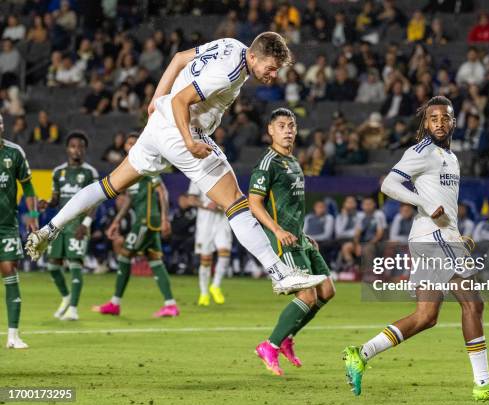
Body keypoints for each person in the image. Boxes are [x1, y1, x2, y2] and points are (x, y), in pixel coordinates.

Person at [26, 32, 326, 295]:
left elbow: (180, 57)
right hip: (180, 129)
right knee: (235, 202)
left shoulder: (232, 45)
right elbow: (182, 101)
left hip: (159, 124)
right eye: (271, 68)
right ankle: (280, 273)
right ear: (256, 56)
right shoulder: (230, 73)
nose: (272, 75)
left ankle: (49, 230)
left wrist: (157, 99)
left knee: (109, 184)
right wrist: (190, 141)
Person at [342, 96, 489, 402]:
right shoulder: (421, 151)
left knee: (426, 316)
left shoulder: (450, 157)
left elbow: (442, 201)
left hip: (440, 237)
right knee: (473, 303)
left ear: (453, 122)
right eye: (433, 118)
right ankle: (483, 383)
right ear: (426, 123)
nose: (439, 123)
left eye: (445, 118)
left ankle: (361, 353)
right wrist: (425, 203)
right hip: (432, 236)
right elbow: (389, 185)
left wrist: (455, 232)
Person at [250, 108, 335, 376]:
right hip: (282, 240)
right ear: (270, 130)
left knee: (327, 291)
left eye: (291, 126)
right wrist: (276, 231)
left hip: (300, 238)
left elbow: (293, 207)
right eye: (282, 126)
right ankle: (270, 345)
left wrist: (305, 234)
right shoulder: (268, 164)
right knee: (307, 295)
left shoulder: (295, 162)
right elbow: (254, 204)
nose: (287, 130)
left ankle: (287, 337)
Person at [93, 132, 178, 317]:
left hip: (145, 221)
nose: (131, 146)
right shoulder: (131, 167)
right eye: (128, 143)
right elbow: (129, 200)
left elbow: (162, 191)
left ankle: (115, 303)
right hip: (144, 220)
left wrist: (165, 218)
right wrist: (116, 221)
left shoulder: (146, 163)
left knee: (124, 257)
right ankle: (170, 304)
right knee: (155, 261)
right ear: (124, 146)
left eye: (134, 142)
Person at [39, 132, 98, 321]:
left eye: (80, 147)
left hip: (78, 226)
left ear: (85, 150)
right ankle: (66, 297)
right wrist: (47, 203)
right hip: (60, 225)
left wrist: (86, 224)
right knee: (53, 266)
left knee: (75, 264)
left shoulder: (90, 172)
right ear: (67, 149)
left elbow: (94, 202)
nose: (77, 150)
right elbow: (56, 198)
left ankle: (73, 309)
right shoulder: (58, 172)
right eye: (73, 146)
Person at [0, 113, 38, 348]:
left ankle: (13, 335)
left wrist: (32, 217)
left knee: (9, 269)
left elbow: (29, 187)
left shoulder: (14, 152)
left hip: (6, 226)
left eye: (1, 122)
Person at [187, 181, 232, 307]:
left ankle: (216, 285)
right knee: (206, 259)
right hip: (205, 221)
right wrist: (206, 204)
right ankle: (204, 293)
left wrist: (223, 204)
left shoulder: (224, 173)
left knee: (225, 252)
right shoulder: (196, 176)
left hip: (221, 219)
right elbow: (191, 200)